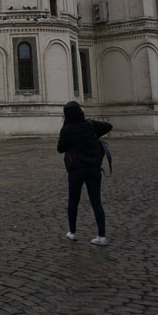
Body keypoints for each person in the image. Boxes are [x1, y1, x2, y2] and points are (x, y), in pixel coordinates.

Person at [57, 101, 112, 245]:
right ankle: (101, 236)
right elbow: (108, 126)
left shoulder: (67, 129)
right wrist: (94, 136)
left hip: (76, 169)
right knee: (96, 202)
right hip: (93, 168)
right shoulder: (89, 124)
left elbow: (60, 148)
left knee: (73, 201)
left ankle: (72, 232)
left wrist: (66, 127)